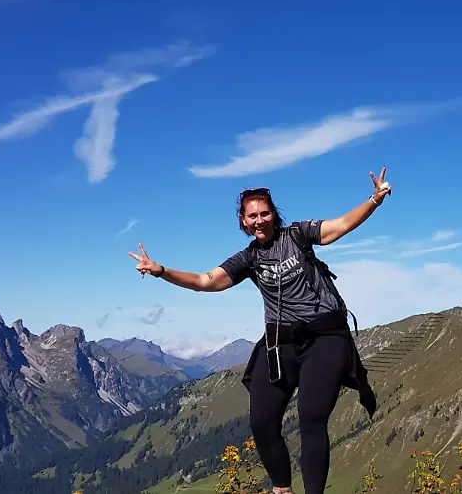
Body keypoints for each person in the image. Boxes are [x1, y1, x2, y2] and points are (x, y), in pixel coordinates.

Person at [128, 167, 392, 494]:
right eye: (252, 216)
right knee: (262, 422)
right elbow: (205, 281)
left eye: (264, 213)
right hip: (281, 342)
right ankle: (282, 489)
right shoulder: (249, 258)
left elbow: (340, 226)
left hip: (325, 337)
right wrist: (161, 271)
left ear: (274, 214)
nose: (259, 220)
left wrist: (374, 200)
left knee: (311, 418)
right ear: (243, 221)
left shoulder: (298, 234)